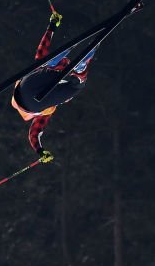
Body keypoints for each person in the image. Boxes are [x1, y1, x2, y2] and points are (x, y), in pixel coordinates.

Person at [10, 11, 97, 162]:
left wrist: (40, 151)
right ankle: (76, 66)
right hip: (28, 91)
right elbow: (34, 133)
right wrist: (51, 27)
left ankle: (78, 68)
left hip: (29, 94)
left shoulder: (46, 109)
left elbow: (34, 134)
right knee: (50, 67)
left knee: (72, 85)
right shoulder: (46, 110)